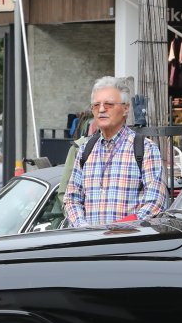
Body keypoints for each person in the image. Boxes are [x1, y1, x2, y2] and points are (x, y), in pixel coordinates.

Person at [64, 77, 166, 228]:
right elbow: (71, 199)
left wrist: (116, 230)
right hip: (89, 240)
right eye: (96, 105)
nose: (101, 109)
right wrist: (83, 228)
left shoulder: (145, 149)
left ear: (126, 108)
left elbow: (155, 204)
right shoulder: (85, 150)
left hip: (127, 241)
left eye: (109, 104)